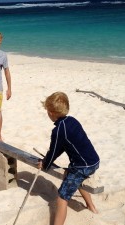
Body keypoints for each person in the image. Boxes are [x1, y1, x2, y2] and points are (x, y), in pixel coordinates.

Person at [38, 91, 100, 225]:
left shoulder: (59, 130)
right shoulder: (72, 120)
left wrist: (45, 164)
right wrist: (46, 162)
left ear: (51, 113)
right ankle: (91, 206)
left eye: (47, 111)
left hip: (83, 166)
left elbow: (54, 151)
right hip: (93, 160)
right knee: (71, 176)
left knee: (62, 197)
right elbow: (61, 148)